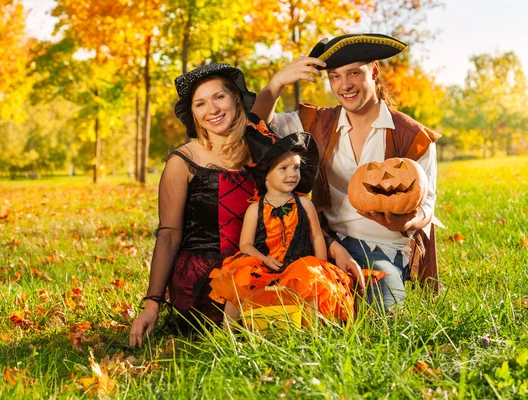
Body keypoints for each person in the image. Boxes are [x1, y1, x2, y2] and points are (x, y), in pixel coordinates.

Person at [251, 33, 440, 310]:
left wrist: (406, 223)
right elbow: (260, 125)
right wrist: (277, 83)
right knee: (294, 307)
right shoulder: (318, 124)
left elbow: (427, 205)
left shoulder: (412, 136)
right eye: (335, 76)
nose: (345, 85)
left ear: (373, 71)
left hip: (383, 250)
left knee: (382, 316)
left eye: (354, 73)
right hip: (324, 242)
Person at [208, 115, 381, 326]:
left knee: (311, 278)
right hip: (265, 263)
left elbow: (316, 236)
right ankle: (228, 333)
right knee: (240, 276)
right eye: (284, 168)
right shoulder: (255, 209)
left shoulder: (304, 204)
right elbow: (245, 244)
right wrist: (263, 259)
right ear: (265, 176)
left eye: (296, 168)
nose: (292, 174)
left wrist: (320, 264)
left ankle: (313, 330)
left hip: (298, 264)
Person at [129, 64, 257, 347]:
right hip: (203, 278)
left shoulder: (259, 151)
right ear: (194, 114)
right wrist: (152, 303)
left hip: (254, 268)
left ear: (235, 98)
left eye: (219, 97)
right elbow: (168, 234)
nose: (212, 109)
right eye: (201, 103)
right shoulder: (182, 161)